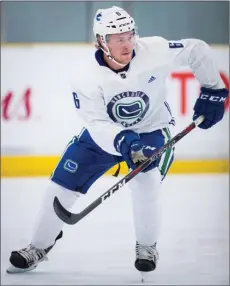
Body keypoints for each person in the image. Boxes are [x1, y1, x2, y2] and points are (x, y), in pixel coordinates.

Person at [7, 6, 228, 275]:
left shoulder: (155, 51)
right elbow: (97, 124)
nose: (127, 43)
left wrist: (213, 88)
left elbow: (196, 49)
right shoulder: (85, 76)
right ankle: (38, 247)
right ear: (101, 41)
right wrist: (123, 140)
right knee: (62, 182)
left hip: (152, 129)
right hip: (106, 136)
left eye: (129, 35)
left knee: (146, 181)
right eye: (118, 38)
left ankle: (147, 247)